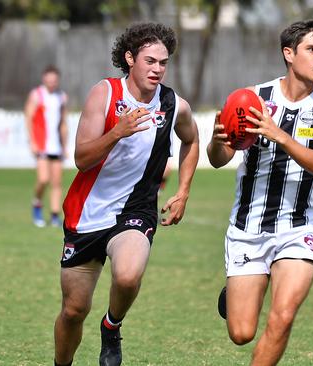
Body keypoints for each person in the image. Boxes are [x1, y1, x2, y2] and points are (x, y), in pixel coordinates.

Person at [207, 20, 313, 366]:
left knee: (283, 315)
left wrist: (281, 136)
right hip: (249, 227)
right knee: (241, 333)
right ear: (289, 54)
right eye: (312, 50)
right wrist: (217, 139)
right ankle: (239, 290)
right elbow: (218, 160)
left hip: (300, 227)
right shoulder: (253, 99)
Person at [53, 22, 199, 366]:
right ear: (130, 58)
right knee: (73, 311)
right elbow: (81, 159)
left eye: (163, 62)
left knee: (129, 273)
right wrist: (117, 132)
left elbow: (191, 140)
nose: (158, 69)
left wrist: (183, 191)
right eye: (150, 61)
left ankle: (111, 326)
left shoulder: (173, 103)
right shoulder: (104, 94)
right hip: (86, 213)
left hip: (136, 210)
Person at [24, 65, 68, 227]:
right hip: (42, 144)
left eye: (54, 80)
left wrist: (64, 145)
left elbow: (63, 123)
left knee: (56, 183)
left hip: (55, 145)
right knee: (43, 179)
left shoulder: (61, 97)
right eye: (48, 80)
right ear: (44, 79)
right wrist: (32, 141)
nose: (51, 83)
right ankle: (37, 203)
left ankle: (55, 216)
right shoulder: (37, 95)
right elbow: (28, 118)